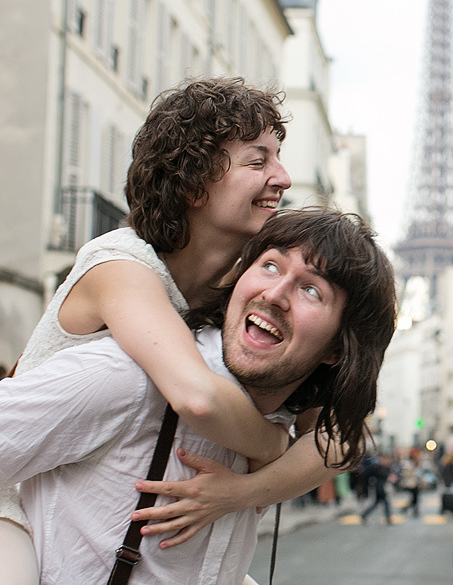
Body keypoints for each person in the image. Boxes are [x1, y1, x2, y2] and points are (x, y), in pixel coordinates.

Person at [0, 77, 297, 584]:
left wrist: (247, 490)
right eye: (257, 161)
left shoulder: (236, 292)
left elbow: (340, 443)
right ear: (193, 182)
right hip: (14, 501)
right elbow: (197, 396)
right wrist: (274, 448)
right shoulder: (120, 266)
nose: (284, 177)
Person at [0, 207, 398, 583]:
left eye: (312, 291)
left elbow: (341, 444)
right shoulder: (129, 379)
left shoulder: (285, 427)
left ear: (337, 350)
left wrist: (245, 490)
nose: (275, 294)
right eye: (271, 265)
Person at [360, 454, 396, 525]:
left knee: (377, 503)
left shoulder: (385, 467)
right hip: (380, 488)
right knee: (385, 503)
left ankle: (364, 514)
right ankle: (388, 519)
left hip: (382, 488)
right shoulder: (378, 467)